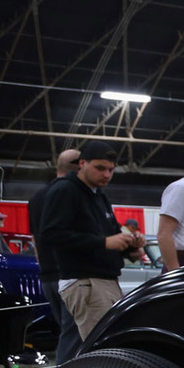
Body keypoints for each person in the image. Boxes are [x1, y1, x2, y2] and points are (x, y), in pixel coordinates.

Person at [34, 139, 144, 342]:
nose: (106, 175)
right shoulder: (65, 190)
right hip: (85, 281)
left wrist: (130, 247)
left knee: (109, 345)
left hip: (105, 280)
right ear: (82, 164)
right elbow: (51, 235)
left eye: (111, 170)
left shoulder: (99, 195)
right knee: (102, 347)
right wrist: (104, 243)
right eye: (100, 168)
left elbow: (109, 234)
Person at [26, 148, 84, 362]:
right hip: (69, 276)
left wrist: (45, 268)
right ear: (80, 167)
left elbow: (34, 238)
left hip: (48, 275)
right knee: (73, 338)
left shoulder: (36, 198)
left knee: (67, 335)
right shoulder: (72, 194)